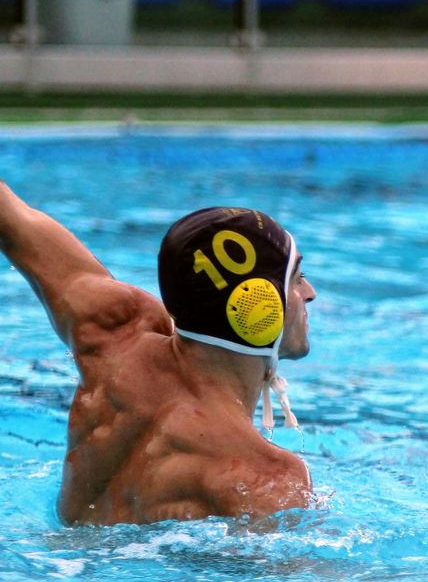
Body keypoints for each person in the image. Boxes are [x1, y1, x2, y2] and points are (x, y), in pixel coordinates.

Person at [0, 189, 316, 525]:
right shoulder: (268, 478)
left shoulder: (114, 332)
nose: (310, 293)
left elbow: (15, 219)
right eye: (296, 279)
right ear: (257, 306)